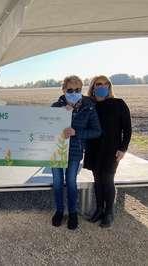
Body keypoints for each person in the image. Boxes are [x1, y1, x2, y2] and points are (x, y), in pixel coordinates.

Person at [51, 75, 101, 230]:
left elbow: (96, 131)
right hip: (56, 151)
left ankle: (72, 213)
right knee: (58, 183)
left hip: (75, 152)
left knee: (71, 182)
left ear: (82, 89)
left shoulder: (89, 106)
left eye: (78, 89)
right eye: (70, 90)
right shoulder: (55, 106)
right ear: (64, 90)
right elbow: (45, 127)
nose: (74, 92)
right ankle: (59, 210)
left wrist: (76, 132)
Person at [84, 75, 132, 227]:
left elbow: (128, 129)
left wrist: (123, 148)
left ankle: (109, 213)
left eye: (106, 84)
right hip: (93, 148)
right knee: (97, 180)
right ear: (93, 87)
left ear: (110, 87)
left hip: (111, 150)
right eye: (99, 84)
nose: (102, 86)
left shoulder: (119, 104)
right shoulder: (88, 104)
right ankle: (99, 209)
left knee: (108, 179)